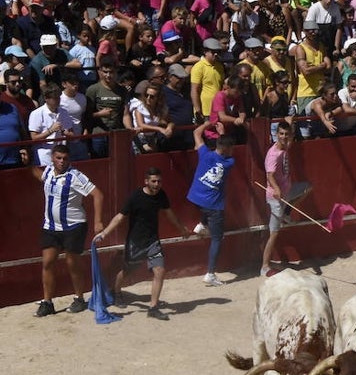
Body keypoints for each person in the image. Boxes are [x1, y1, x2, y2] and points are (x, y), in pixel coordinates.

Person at [96, 167, 191, 320]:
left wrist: (181, 228)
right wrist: (105, 233)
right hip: (136, 242)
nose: (157, 184)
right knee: (128, 271)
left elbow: (169, 213)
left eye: (159, 181)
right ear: (146, 181)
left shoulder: (161, 195)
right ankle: (116, 291)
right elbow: (120, 217)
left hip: (152, 240)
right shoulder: (135, 197)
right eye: (154, 181)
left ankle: (152, 307)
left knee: (160, 270)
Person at [33, 144, 104, 317]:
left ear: (69, 159)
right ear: (52, 158)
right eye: (58, 158)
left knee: (72, 264)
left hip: (73, 226)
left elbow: (98, 194)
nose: (62, 161)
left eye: (65, 158)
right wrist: (28, 165)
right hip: (50, 226)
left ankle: (79, 298)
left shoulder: (75, 176)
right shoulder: (48, 172)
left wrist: (98, 221)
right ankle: (47, 302)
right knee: (48, 263)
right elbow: (39, 176)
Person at [260, 121, 312, 277]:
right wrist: (276, 189)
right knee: (274, 233)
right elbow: (269, 176)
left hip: (287, 191)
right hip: (275, 197)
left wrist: (291, 121)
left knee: (307, 187)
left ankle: (287, 213)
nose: (283, 137)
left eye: (286, 134)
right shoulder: (272, 154)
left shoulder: (286, 145)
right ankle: (264, 267)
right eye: (281, 134)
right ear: (276, 135)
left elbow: (290, 134)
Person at [187, 134, 235, 286]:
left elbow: (195, 133)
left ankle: (202, 224)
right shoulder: (229, 162)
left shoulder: (205, 153)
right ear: (226, 148)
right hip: (214, 206)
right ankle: (210, 274)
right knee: (217, 239)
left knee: (205, 205)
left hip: (196, 198)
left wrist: (209, 124)